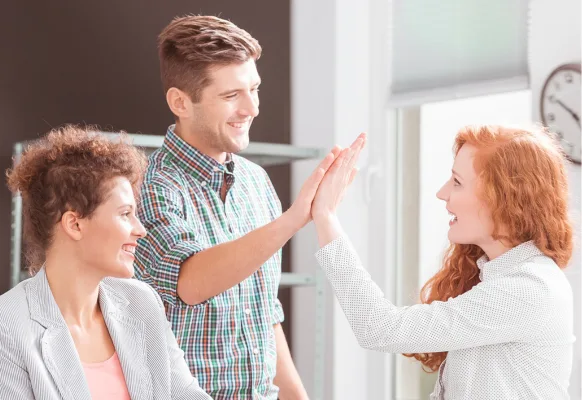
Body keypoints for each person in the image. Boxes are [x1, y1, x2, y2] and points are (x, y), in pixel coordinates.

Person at [134, 14, 357, 400]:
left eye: (254, 88)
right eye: (230, 95)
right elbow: (190, 282)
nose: (251, 107)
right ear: (180, 102)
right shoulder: (150, 186)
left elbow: (264, 315)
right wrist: (294, 219)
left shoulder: (256, 183)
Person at [311, 125, 575, 400]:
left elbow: (379, 328)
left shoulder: (529, 289)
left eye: (457, 182)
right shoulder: (499, 277)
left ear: (504, 198)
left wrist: (326, 217)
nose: (442, 193)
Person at [0, 125, 211, 400]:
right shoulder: (8, 325)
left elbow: (186, 394)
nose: (140, 229)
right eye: (125, 214)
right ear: (74, 224)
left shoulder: (141, 303)